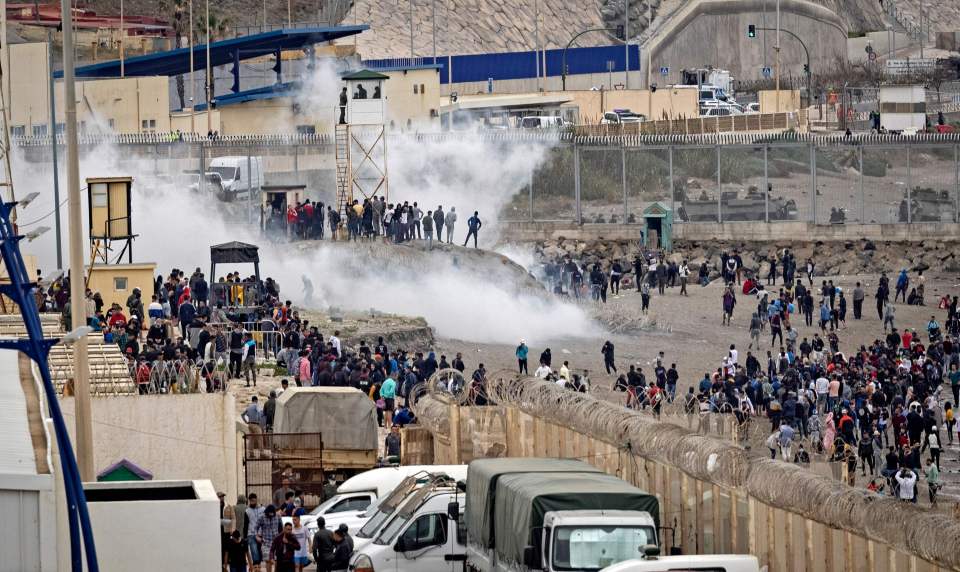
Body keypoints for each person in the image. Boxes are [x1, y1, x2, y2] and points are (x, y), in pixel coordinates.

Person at [256, 505, 283, 572]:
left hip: (276, 543)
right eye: (269, 514)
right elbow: (255, 528)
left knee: (277, 560)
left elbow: (281, 529)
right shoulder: (262, 517)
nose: (271, 515)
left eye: (272, 514)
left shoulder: (278, 516)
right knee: (268, 561)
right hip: (266, 543)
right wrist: (257, 537)